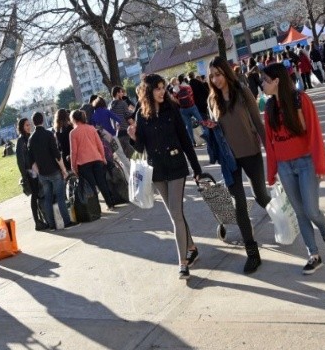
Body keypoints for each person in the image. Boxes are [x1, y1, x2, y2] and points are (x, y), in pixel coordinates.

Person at [260, 62, 325, 275]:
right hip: (285, 167)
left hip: (306, 163)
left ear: (276, 81)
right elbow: (270, 142)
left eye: (265, 80)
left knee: (312, 210)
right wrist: (271, 173)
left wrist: (320, 164)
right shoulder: (268, 108)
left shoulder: (300, 99)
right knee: (300, 212)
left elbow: (315, 133)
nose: (262, 85)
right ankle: (313, 254)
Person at [127, 73, 203, 280]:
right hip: (157, 171)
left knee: (176, 214)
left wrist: (196, 168)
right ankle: (192, 247)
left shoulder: (172, 109)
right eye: (158, 88)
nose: (162, 91)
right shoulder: (141, 115)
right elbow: (141, 147)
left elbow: (185, 140)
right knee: (175, 213)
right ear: (148, 91)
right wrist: (133, 138)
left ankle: (183, 262)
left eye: (163, 87)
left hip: (177, 166)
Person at [206, 56, 272, 274]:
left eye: (218, 74)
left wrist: (271, 151)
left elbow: (257, 122)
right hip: (229, 159)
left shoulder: (242, 92)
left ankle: (285, 219)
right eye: (212, 76)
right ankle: (252, 253)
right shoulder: (211, 101)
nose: (216, 79)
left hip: (251, 151)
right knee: (239, 205)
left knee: (261, 196)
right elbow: (216, 130)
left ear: (226, 72)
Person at [27, 111, 78, 231]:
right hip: (54, 170)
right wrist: (64, 169)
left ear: (33, 123)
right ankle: (67, 221)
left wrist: (38, 171)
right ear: (43, 120)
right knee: (60, 196)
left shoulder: (31, 138)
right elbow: (57, 155)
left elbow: (31, 160)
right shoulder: (48, 134)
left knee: (48, 198)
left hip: (42, 173)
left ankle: (51, 224)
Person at [69, 109, 116, 211]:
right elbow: (99, 144)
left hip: (83, 163)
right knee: (102, 183)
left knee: (91, 187)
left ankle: (96, 209)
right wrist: (103, 157)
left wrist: (73, 166)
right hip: (97, 159)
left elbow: (74, 151)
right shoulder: (91, 128)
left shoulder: (73, 133)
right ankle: (110, 204)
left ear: (74, 119)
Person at [16, 118, 49, 231]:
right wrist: (25, 176)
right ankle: (37, 221)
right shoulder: (21, 141)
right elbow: (20, 161)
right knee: (35, 196)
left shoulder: (29, 137)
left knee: (39, 195)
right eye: (26, 125)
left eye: (29, 125)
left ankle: (43, 218)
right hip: (30, 173)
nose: (28, 127)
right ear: (21, 127)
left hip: (36, 170)